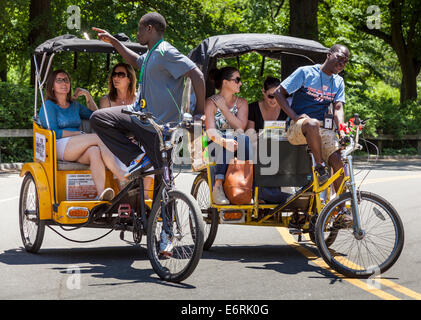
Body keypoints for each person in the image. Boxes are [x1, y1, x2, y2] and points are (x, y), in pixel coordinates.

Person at [91, 12, 205, 255]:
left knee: (164, 185)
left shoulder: (166, 52)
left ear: (150, 28)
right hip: (138, 118)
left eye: (140, 30)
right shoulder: (152, 54)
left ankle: (167, 236)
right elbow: (135, 61)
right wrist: (113, 41)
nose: (138, 34)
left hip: (159, 128)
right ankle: (136, 158)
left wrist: (200, 112)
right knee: (100, 118)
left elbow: (196, 74)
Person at [38, 69, 125, 200]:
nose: (64, 83)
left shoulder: (75, 106)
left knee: (94, 151)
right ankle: (122, 177)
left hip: (77, 145)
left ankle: (101, 194)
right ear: (52, 86)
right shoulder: (48, 106)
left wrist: (88, 96)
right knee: (98, 138)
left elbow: (97, 116)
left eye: (66, 80)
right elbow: (54, 132)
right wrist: (77, 133)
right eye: (59, 80)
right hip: (58, 145)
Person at [274, 44, 349, 194]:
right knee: (312, 123)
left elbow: (338, 109)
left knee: (338, 160)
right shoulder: (305, 72)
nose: (341, 64)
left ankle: (342, 211)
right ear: (329, 55)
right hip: (299, 127)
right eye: (339, 58)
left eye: (345, 62)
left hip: (321, 128)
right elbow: (278, 93)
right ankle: (319, 167)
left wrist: (342, 131)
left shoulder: (338, 81)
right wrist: (294, 116)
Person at [99, 62, 152, 197]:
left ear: (129, 78)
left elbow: (145, 122)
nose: (116, 78)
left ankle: (145, 198)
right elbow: (105, 127)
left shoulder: (138, 99)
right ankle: (125, 198)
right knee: (118, 154)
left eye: (121, 75)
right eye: (114, 75)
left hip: (138, 140)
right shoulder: (106, 100)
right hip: (117, 142)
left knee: (150, 151)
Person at [204, 66, 251, 204]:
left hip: (237, 142)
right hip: (215, 143)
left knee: (243, 137)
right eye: (237, 80)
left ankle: (246, 185)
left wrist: (224, 109)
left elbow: (240, 126)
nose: (240, 83)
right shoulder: (211, 103)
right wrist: (224, 142)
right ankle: (218, 186)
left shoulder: (242, 103)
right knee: (232, 137)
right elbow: (211, 131)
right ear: (225, 82)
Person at [246, 77, 290, 204]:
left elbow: (287, 132)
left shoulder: (285, 109)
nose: (274, 100)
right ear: (263, 92)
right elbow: (250, 131)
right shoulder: (253, 108)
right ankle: (260, 192)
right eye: (271, 96)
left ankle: (283, 191)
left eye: (277, 96)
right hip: (258, 145)